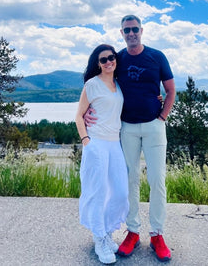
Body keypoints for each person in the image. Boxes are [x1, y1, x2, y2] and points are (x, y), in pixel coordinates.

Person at [84, 15, 176, 262]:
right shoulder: (118, 58)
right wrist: (88, 109)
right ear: (122, 33)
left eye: (135, 29)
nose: (131, 33)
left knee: (157, 181)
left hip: (154, 127)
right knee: (129, 181)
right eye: (127, 30)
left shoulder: (157, 56)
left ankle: (157, 234)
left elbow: (170, 90)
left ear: (141, 30)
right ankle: (133, 231)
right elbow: (99, 82)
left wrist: (162, 117)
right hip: (127, 128)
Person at [75, 44, 129, 265]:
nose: (108, 62)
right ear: (97, 63)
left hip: (115, 144)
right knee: (98, 192)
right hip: (96, 143)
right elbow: (79, 116)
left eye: (111, 57)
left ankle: (107, 231)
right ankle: (99, 238)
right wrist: (86, 141)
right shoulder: (92, 84)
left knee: (120, 192)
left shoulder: (118, 84)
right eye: (103, 59)